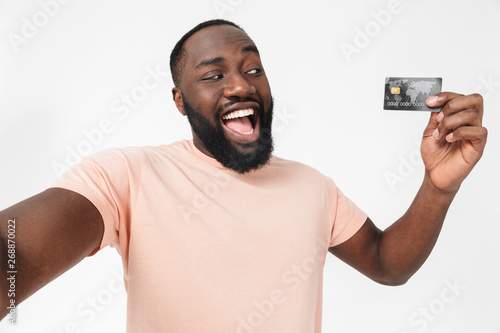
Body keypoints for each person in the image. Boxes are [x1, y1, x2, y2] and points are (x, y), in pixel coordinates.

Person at [0, 19, 488, 332]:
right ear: (179, 100)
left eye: (253, 69)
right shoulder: (127, 173)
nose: (240, 84)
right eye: (213, 75)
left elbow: (387, 263)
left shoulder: (312, 185)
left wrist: (439, 186)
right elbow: (15, 249)